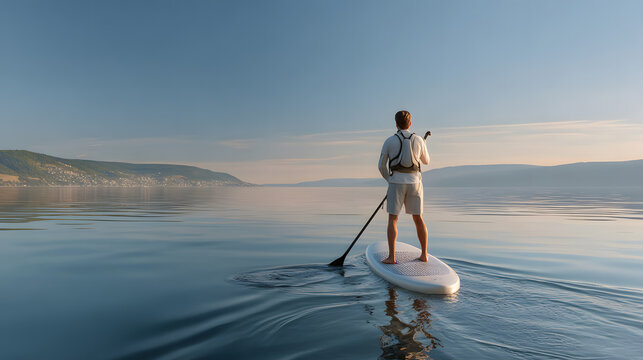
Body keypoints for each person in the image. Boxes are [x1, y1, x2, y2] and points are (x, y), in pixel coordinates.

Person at [378, 110, 430, 264]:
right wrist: (423, 146)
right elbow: (426, 161)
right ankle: (424, 255)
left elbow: (381, 166)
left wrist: (389, 179)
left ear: (396, 123)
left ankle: (392, 257)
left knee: (393, 219)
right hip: (415, 183)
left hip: (396, 183)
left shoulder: (389, 141)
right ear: (410, 123)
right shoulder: (419, 140)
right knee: (418, 218)